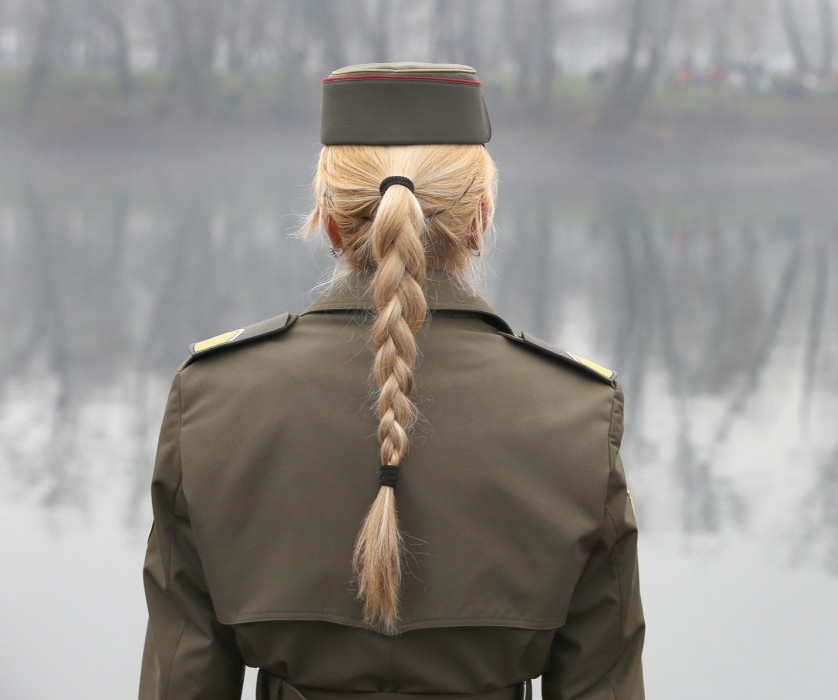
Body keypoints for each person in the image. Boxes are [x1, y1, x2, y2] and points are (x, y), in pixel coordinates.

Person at [139, 62, 644, 700]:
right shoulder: (576, 414)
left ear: (328, 220)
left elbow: (179, 682)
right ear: (480, 219)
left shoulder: (211, 401)